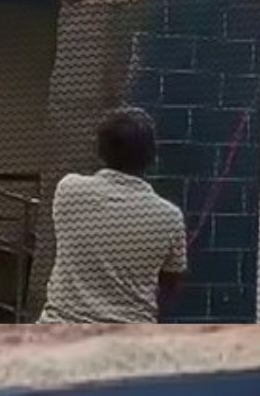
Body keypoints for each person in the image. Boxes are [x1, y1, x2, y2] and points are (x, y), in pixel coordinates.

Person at [40, 107, 187, 323]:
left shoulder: (69, 189)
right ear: (151, 155)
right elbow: (171, 283)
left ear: (101, 150)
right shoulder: (170, 217)